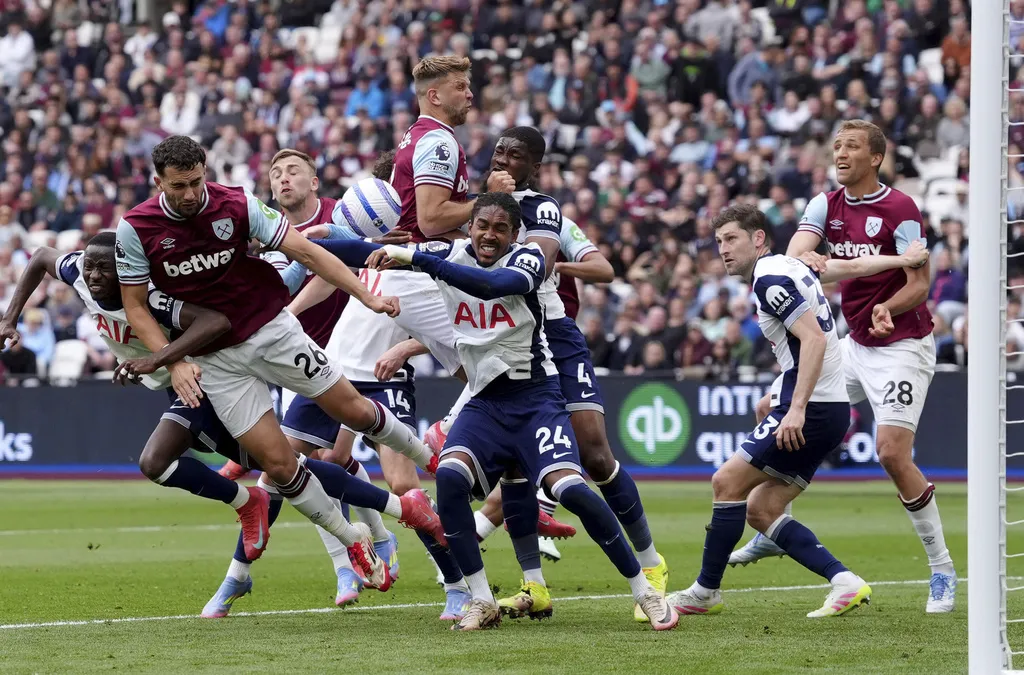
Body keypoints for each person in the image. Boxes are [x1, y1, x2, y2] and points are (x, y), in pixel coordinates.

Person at [313, 193, 679, 632]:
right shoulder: (448, 252)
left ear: (514, 234)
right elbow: (360, 252)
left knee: (572, 491)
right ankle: (481, 599)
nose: (489, 235)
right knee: (450, 478)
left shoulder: (528, 260)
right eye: (482, 225)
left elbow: (491, 286)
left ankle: (644, 590)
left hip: (536, 399)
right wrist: (293, 241)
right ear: (469, 227)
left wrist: (416, 258)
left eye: (500, 228)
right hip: (486, 402)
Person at [114, 135, 442, 590]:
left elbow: (306, 251)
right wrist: (175, 363)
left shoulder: (238, 205)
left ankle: (431, 458)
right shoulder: (135, 228)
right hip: (217, 360)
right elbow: (135, 306)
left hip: (272, 332)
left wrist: (365, 294)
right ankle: (351, 539)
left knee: (353, 411)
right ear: (158, 183)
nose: (189, 194)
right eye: (178, 186)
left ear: (205, 171)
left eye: (195, 182)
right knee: (280, 465)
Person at [432, 126, 668, 623]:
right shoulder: (475, 211)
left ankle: (651, 565)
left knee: (594, 454)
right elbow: (457, 269)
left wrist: (556, 265)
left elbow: (592, 267)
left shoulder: (543, 210)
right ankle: (533, 584)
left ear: (534, 166)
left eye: (515, 155)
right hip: (501, 339)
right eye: (499, 151)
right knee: (513, 465)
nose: (503, 160)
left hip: (553, 335)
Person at [729, 119, 958, 614]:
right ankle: (775, 520)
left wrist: (887, 306)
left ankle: (942, 569)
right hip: (852, 343)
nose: (840, 153)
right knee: (769, 407)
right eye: (837, 146)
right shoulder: (825, 205)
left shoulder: (901, 208)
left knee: (891, 453)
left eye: (851, 146)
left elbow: (919, 283)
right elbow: (798, 259)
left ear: (875, 157)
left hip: (902, 344)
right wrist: (816, 262)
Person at [667, 204, 929, 618]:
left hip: (812, 408)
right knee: (762, 509)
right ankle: (845, 581)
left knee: (726, 482)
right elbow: (852, 267)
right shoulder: (791, 265)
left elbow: (814, 339)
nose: (723, 250)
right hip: (832, 410)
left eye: (731, 239)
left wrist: (796, 409)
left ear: (758, 239)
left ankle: (705, 591)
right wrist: (901, 260)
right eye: (718, 241)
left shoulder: (769, 280)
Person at [201, 148, 420, 617]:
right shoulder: (263, 230)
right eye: (275, 172)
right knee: (298, 466)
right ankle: (357, 554)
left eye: (293, 171)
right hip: (292, 360)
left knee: (320, 463)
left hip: (352, 357)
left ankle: (378, 543)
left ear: (315, 181)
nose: (283, 179)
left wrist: (378, 242)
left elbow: (352, 262)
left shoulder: (345, 215)